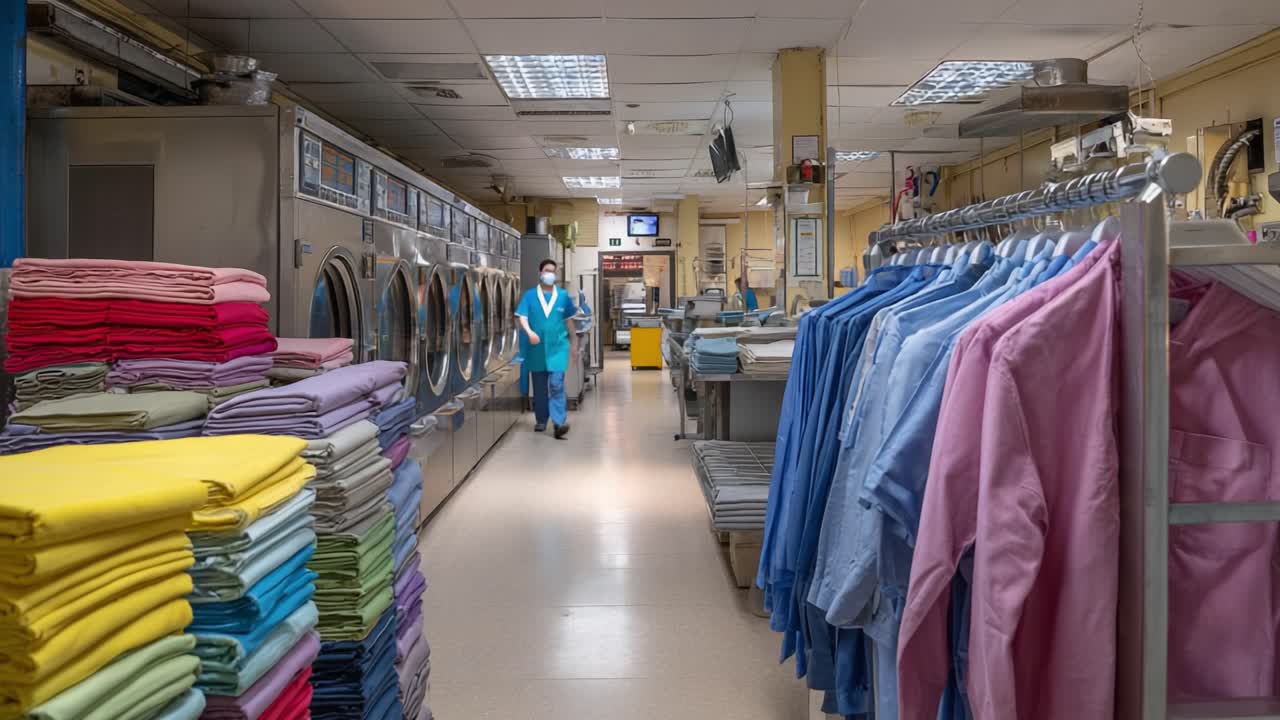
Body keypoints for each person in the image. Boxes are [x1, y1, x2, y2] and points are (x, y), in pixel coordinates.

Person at [516, 259, 578, 439]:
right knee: (540, 386)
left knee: (557, 384)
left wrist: (574, 343)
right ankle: (541, 420)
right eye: (546, 270)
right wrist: (529, 332)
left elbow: (568, 321)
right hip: (536, 348)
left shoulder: (563, 296)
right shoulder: (529, 296)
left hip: (558, 347)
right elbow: (522, 317)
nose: (550, 274)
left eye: (552, 271)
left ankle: (559, 423)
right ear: (540, 273)